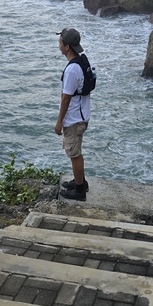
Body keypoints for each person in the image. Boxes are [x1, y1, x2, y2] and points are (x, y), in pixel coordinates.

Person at [55, 27, 90, 201]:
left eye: (60, 42)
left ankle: (79, 191)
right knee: (75, 152)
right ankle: (80, 182)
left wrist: (59, 122)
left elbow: (66, 99)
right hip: (82, 115)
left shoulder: (71, 70)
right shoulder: (80, 62)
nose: (59, 45)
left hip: (74, 118)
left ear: (67, 46)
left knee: (74, 154)